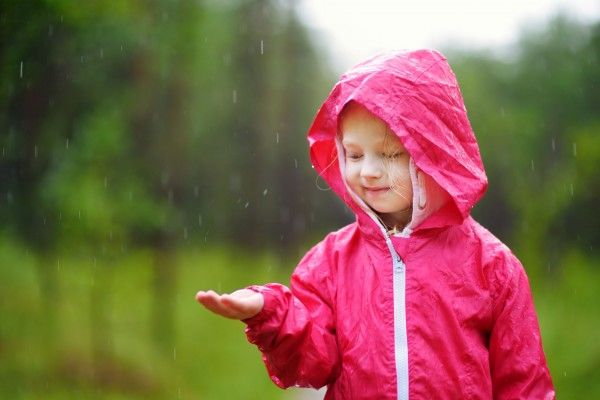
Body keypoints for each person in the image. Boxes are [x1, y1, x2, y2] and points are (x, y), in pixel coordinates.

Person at [196, 49, 555, 399]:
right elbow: (312, 364)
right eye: (354, 154)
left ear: (435, 152)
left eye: (390, 154)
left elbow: (524, 385)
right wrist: (270, 313)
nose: (367, 170)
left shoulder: (493, 267)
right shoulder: (330, 262)